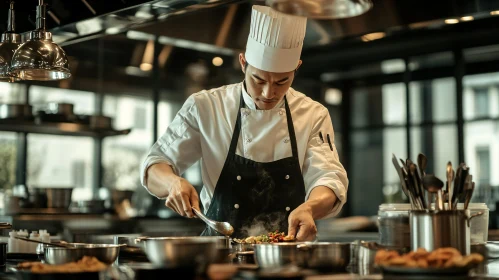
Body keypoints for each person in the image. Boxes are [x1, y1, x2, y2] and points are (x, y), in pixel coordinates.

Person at [140, 5, 348, 241]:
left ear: (296, 68)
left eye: (282, 81)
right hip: (219, 251)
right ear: (243, 63)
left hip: (287, 250)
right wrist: (172, 183)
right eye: (258, 79)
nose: (269, 92)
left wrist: (310, 207)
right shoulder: (205, 106)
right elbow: (155, 164)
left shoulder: (312, 114)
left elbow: (330, 178)